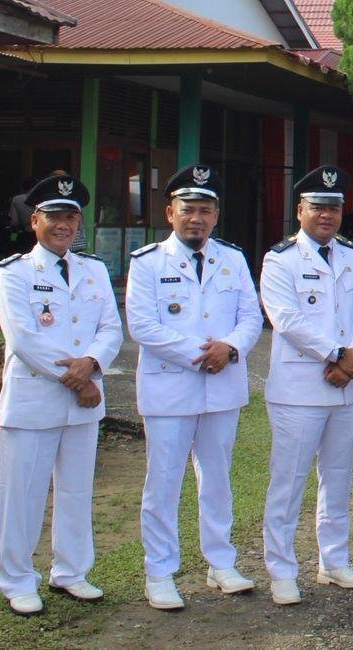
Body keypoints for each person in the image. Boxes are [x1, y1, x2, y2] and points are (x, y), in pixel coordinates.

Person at [126, 164, 263, 609]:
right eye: (188, 210)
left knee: (217, 479)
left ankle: (221, 563)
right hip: (170, 388)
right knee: (163, 483)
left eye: (205, 210)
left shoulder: (233, 259)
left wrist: (230, 348)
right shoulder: (147, 262)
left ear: (216, 215)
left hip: (222, 386)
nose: (196, 219)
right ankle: (160, 571)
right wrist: (200, 353)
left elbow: (251, 317)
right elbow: (142, 325)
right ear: (170, 213)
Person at [0, 174, 123, 616]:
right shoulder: (14, 272)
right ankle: (16, 579)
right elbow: (23, 339)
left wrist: (93, 363)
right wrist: (81, 379)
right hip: (36, 398)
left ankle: (71, 571)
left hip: (83, 402)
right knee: (22, 494)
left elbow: (110, 328)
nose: (64, 225)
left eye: (71, 217)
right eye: (54, 216)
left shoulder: (94, 270)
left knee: (76, 491)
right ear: (35, 221)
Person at [259, 166, 353, 606]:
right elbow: (286, 319)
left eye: (333, 207)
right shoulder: (280, 259)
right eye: (317, 207)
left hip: (347, 388)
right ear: (300, 211)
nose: (326, 215)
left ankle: (334, 559)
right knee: (288, 481)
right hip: (299, 389)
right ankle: (281, 569)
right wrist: (336, 354)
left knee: (338, 476)